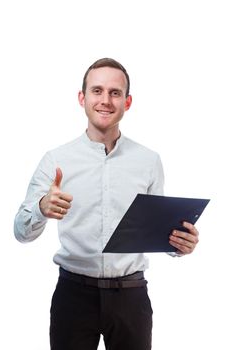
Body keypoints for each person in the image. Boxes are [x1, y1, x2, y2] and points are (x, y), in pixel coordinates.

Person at [14, 58, 199, 350]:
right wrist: (41, 207)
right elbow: (21, 232)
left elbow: (156, 230)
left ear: (127, 102)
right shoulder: (56, 160)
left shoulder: (149, 161)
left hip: (131, 297)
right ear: (82, 98)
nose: (105, 100)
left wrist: (179, 243)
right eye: (97, 91)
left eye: (115, 93)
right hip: (73, 296)